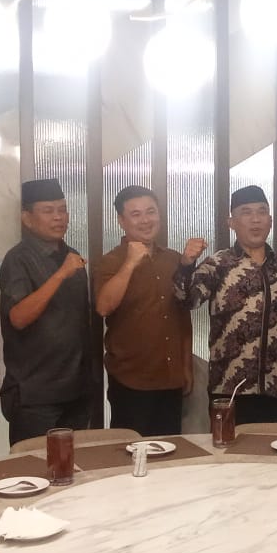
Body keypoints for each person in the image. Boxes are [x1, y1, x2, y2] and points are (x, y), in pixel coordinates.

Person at [174, 185, 277, 424]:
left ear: (270, 221)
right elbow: (186, 300)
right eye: (246, 212)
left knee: (276, 448)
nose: (255, 219)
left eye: (262, 211)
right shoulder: (218, 264)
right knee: (228, 447)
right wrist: (186, 264)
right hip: (229, 388)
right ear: (231, 222)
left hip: (276, 386)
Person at [93, 185, 193, 436]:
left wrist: (186, 367)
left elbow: (183, 318)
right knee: (131, 451)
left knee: (170, 451)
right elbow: (103, 307)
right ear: (121, 221)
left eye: (151, 212)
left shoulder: (173, 259)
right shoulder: (110, 261)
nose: (146, 220)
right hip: (130, 380)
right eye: (136, 214)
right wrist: (130, 263)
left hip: (171, 378)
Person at [0, 178, 92, 444]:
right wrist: (60, 274)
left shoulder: (71, 255)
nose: (58, 217)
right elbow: (19, 318)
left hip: (76, 389)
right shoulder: (18, 259)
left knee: (75, 464)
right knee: (35, 464)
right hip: (35, 394)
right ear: (27, 218)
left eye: (62, 210)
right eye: (48, 211)